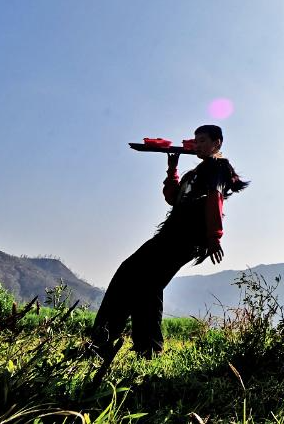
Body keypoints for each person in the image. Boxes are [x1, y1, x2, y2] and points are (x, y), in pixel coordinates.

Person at [91, 124, 248, 360]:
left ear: (217, 143)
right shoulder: (194, 173)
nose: (197, 145)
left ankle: (106, 342)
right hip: (171, 234)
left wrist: (214, 237)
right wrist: (172, 169)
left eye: (203, 141)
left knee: (133, 275)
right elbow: (174, 198)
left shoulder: (217, 168)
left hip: (186, 238)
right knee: (146, 285)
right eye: (196, 141)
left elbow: (214, 199)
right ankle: (144, 349)